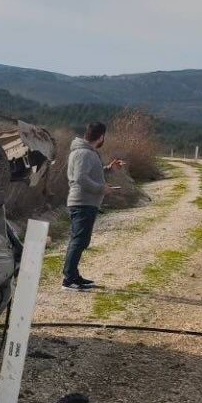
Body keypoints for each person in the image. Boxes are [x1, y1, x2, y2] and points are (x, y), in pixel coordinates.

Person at [62, 121, 124, 291]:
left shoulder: (85, 152)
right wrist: (102, 189)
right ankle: (69, 279)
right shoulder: (85, 153)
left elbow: (90, 173)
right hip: (83, 202)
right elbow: (81, 178)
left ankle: (73, 275)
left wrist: (109, 169)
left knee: (81, 240)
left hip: (84, 202)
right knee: (79, 240)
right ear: (101, 136)